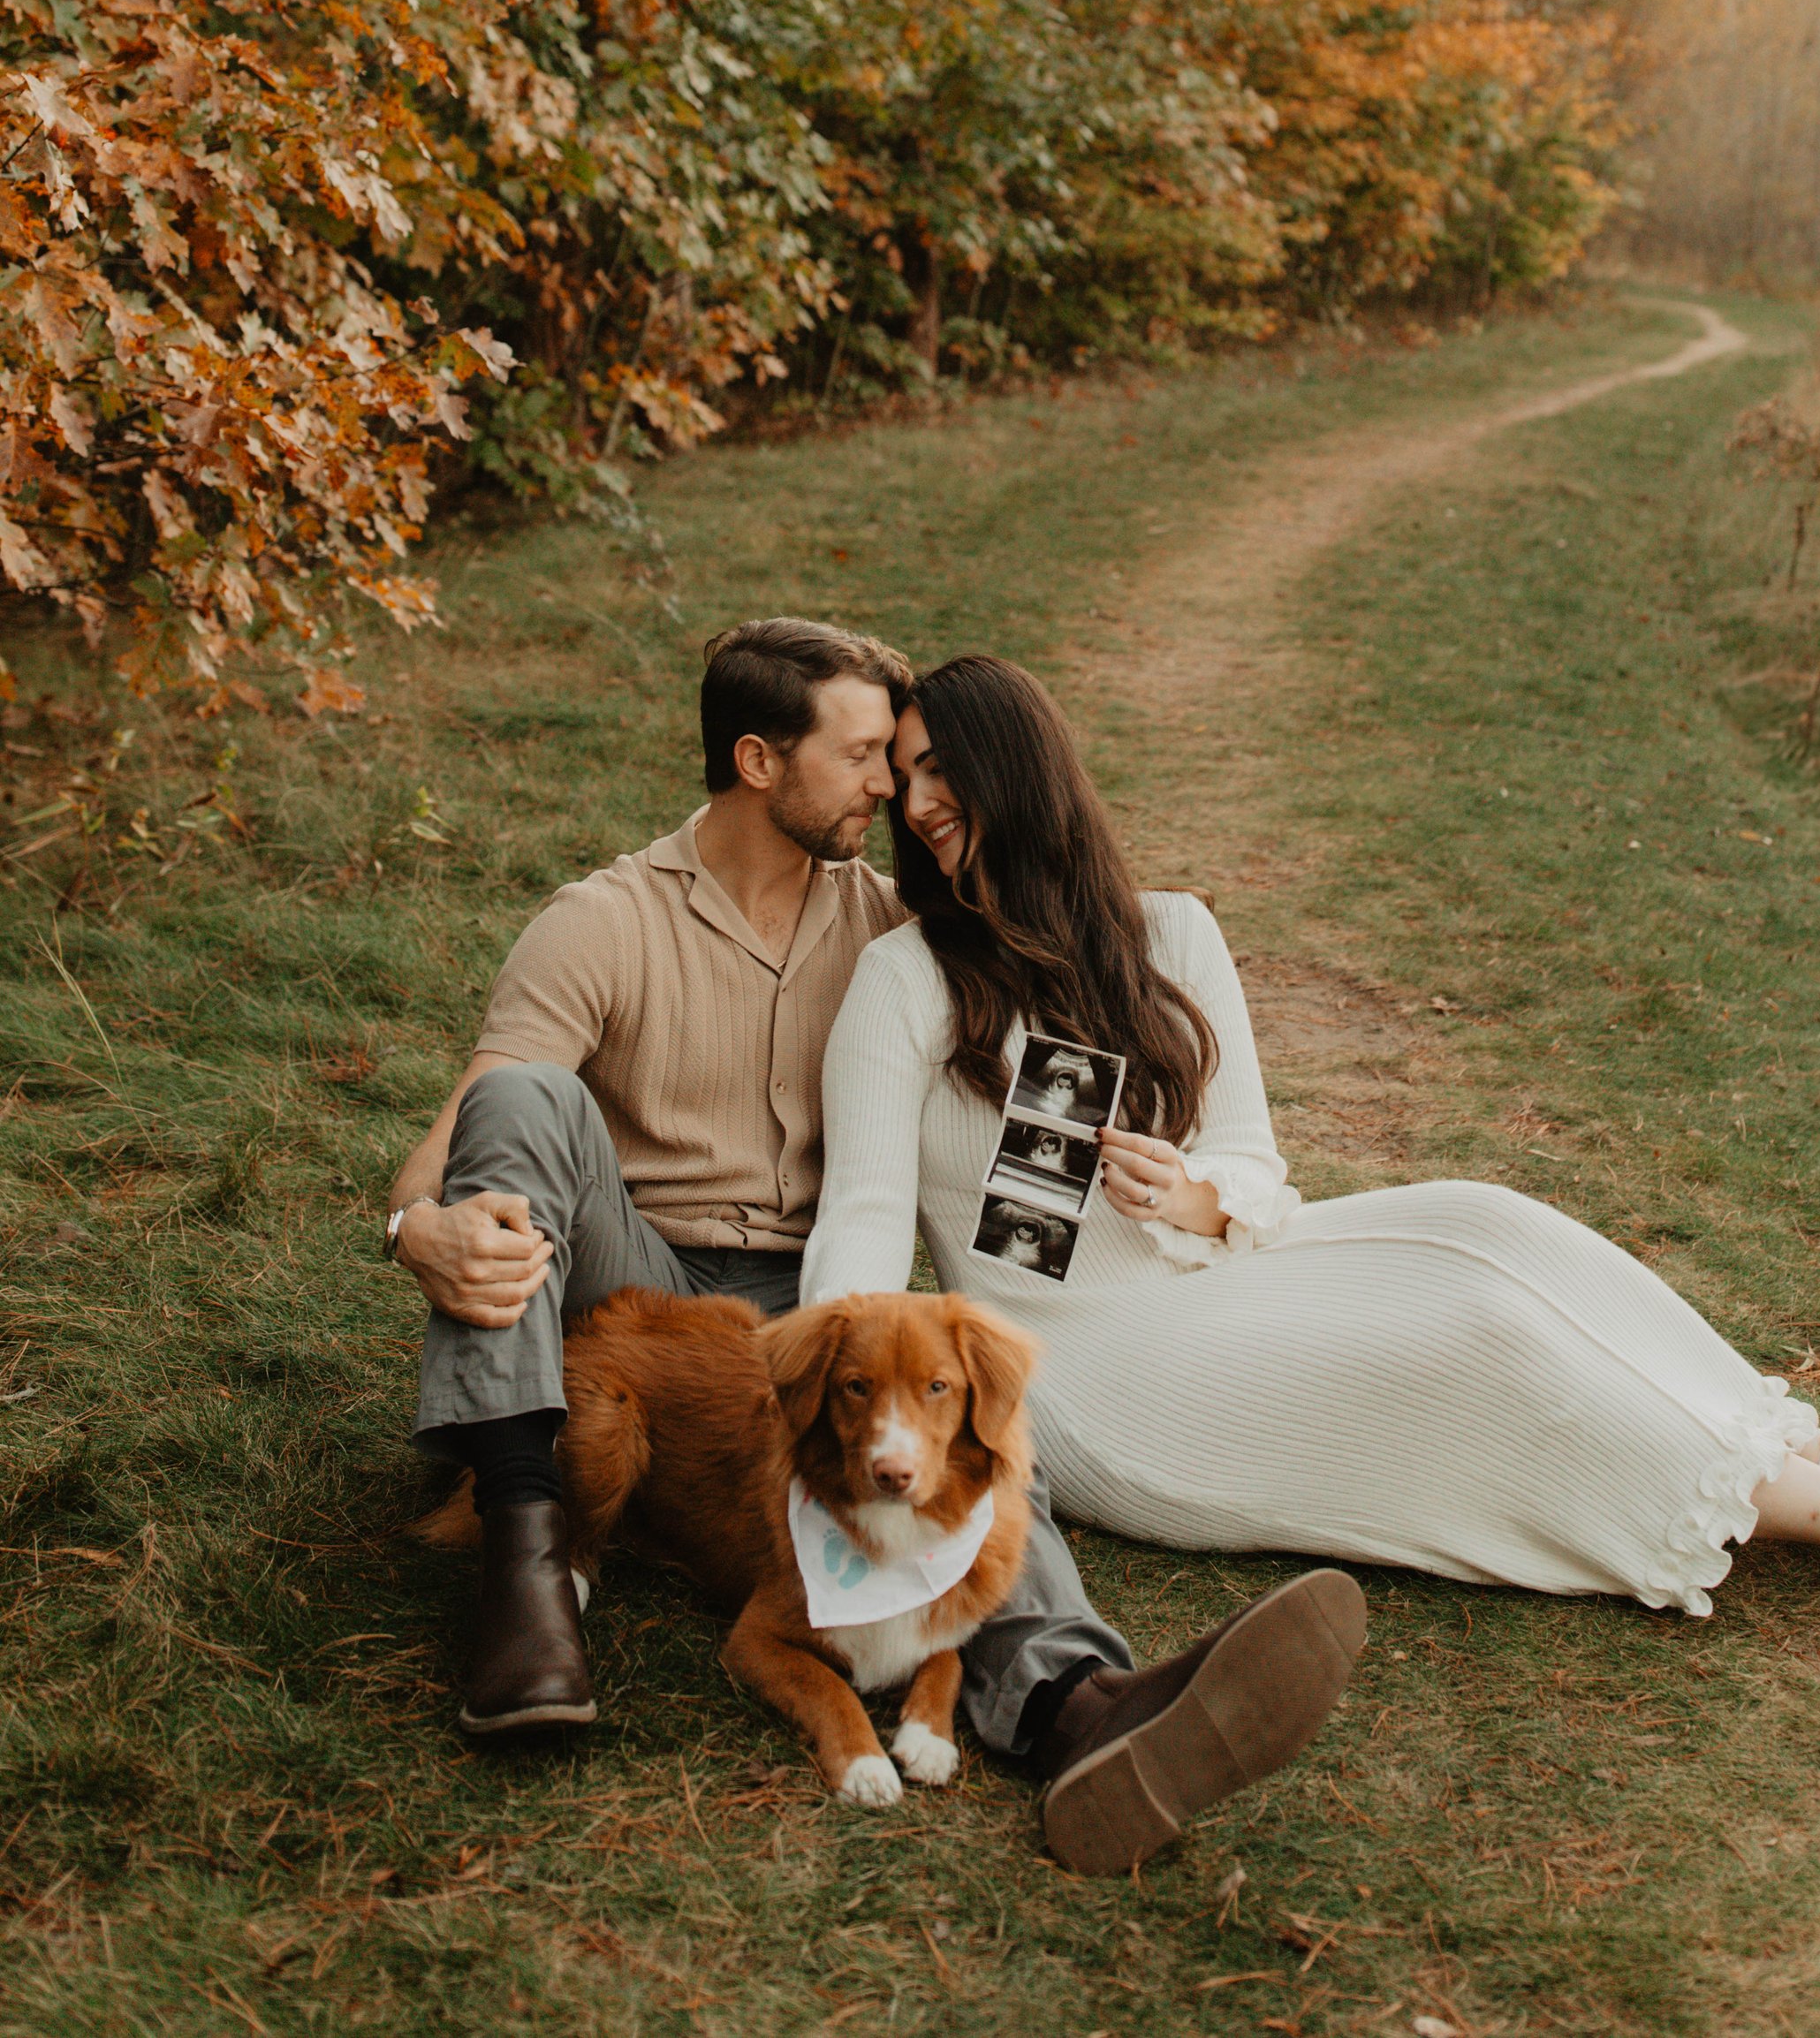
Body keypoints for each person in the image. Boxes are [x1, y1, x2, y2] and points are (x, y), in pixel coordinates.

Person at [803, 654, 1820, 1691]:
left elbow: (1256, 1161)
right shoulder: (907, 980)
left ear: (1020, 772)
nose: (915, 804)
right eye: (903, 777)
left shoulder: (1173, 937)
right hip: (1095, 1368)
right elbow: (866, 1214)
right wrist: (839, 1409)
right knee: (1480, 1336)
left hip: (1223, 1271)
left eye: (939, 771)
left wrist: (1194, 1195)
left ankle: (1813, 1445)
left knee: (1488, 1224)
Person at [386, 617, 1361, 1873]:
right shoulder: (603, 919)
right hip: (641, 1270)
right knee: (526, 1101)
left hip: (810, 1285)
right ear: (755, 759)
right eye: (862, 757)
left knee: (963, 1435)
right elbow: (468, 1112)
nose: (891, 789)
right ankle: (524, 1555)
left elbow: (1046, 940)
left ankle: (1078, 1707)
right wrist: (418, 1225)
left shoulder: (894, 929)